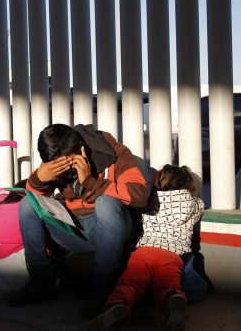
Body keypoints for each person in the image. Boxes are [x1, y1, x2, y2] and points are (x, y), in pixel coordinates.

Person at [9, 124, 149, 312]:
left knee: (105, 203)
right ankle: (41, 282)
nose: (67, 174)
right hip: (78, 228)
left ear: (82, 149)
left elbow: (139, 194)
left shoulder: (114, 152)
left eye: (70, 166)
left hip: (113, 227)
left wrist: (91, 183)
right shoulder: (58, 154)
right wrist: (38, 179)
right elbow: (36, 200)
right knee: (28, 204)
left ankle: (102, 292)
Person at [89, 165, 204, 331]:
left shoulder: (148, 200)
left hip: (143, 252)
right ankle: (173, 299)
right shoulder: (196, 205)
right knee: (167, 285)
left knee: (129, 284)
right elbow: (194, 237)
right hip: (172, 256)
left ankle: (118, 304)